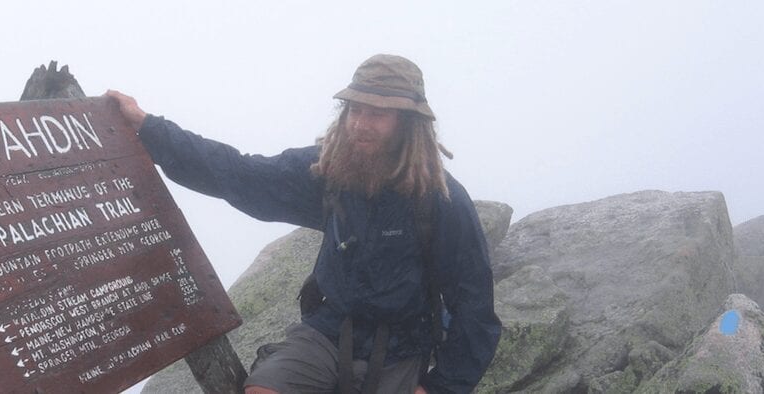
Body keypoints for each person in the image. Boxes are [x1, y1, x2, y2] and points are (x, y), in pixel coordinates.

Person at [106, 54, 500, 394]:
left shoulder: (440, 200)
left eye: (377, 113)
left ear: (408, 123)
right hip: (328, 332)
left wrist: (439, 387)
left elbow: (474, 305)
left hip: (403, 344)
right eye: (355, 110)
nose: (361, 123)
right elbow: (241, 173)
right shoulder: (330, 172)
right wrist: (148, 127)